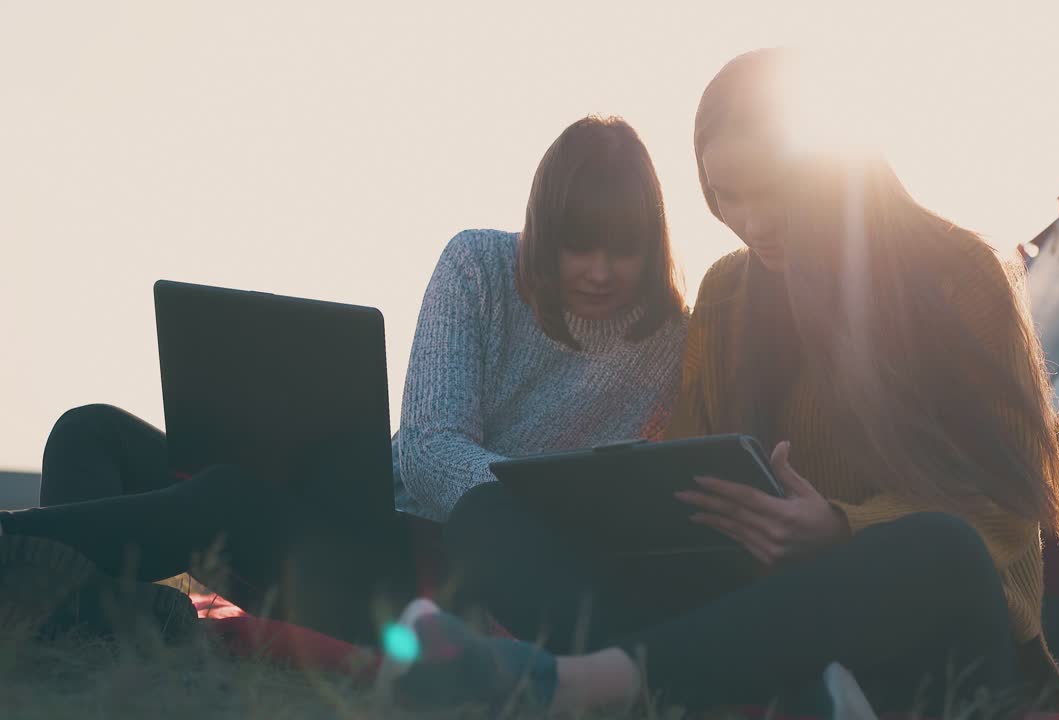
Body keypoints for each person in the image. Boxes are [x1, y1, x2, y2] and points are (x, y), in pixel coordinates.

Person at [377, 49, 1059, 718]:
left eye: (772, 192)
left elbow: (1005, 507)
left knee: (941, 546)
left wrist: (839, 528)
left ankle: (572, 682)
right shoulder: (729, 292)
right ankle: (781, 698)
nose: (751, 222)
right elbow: (682, 474)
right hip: (767, 624)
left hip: (926, 640)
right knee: (487, 517)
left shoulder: (957, 274)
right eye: (726, 196)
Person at [0, 115, 689, 645]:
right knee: (88, 429)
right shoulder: (478, 265)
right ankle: (87, 613)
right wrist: (534, 493)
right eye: (579, 245)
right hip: (356, 505)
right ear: (544, 228)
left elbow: (620, 502)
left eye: (622, 249)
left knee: (227, 497)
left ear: (652, 240)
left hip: (428, 578)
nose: (600, 271)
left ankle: (21, 553)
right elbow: (426, 452)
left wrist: (533, 513)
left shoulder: (668, 341)